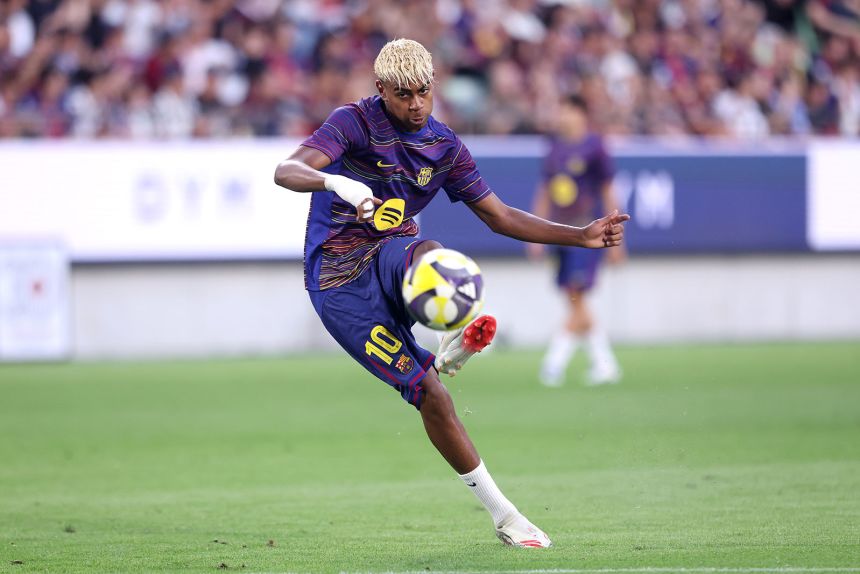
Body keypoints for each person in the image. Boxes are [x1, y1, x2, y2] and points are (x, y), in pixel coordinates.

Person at [273, 39, 629, 548]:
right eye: (403, 95)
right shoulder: (352, 123)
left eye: (423, 92)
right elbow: (286, 170)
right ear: (381, 91)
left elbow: (501, 216)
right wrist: (340, 187)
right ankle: (501, 507)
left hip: (392, 252)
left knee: (427, 249)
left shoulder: (444, 146)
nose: (416, 104)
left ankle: (456, 330)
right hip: (337, 282)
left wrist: (579, 234)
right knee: (429, 395)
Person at [529, 94, 625, 388]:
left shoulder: (595, 147)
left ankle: (553, 364)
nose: (563, 116)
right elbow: (545, 190)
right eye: (561, 110)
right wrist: (534, 234)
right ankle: (606, 364)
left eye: (568, 110)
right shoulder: (554, 147)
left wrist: (618, 238)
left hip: (586, 233)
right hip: (559, 233)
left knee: (577, 296)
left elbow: (609, 190)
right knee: (574, 299)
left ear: (581, 113)